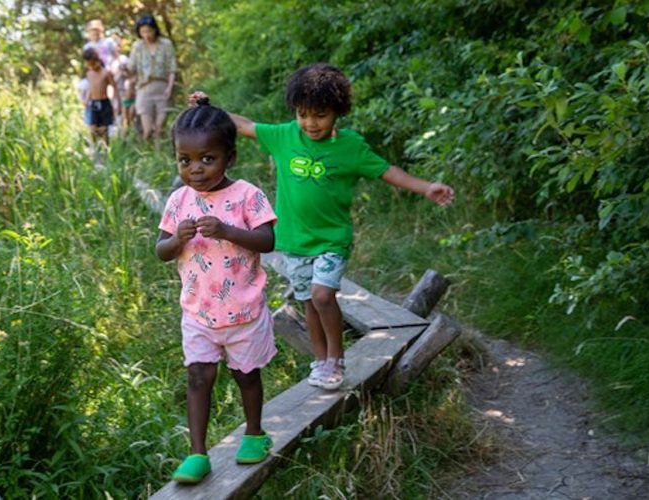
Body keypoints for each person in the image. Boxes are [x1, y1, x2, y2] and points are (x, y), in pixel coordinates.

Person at [190, 63, 455, 391]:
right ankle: (321, 361)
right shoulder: (285, 136)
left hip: (332, 240)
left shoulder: (351, 147)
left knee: (323, 295)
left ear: (337, 112)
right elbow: (244, 125)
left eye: (320, 115)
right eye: (303, 114)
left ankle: (337, 359)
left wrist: (426, 187)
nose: (310, 123)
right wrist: (209, 108)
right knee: (308, 303)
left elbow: (387, 171)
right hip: (295, 242)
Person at [156, 98, 278, 483]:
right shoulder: (179, 201)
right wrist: (177, 239)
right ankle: (197, 453)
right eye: (184, 159)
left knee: (246, 377)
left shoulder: (246, 195)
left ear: (230, 157)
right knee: (198, 378)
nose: (195, 169)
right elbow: (160, 251)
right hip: (198, 313)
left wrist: (227, 231)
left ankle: (254, 434)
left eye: (207, 158)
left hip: (244, 312)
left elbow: (267, 240)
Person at [127, 14, 176, 141]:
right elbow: (131, 67)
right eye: (143, 32)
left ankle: (159, 155)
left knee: (160, 128)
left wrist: (170, 88)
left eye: (149, 31)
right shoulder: (137, 46)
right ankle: (146, 156)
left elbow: (172, 68)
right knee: (147, 130)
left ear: (155, 29)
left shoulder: (166, 44)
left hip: (162, 88)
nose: (146, 35)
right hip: (144, 89)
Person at [82, 48, 121, 148]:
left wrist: (117, 103)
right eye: (89, 65)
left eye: (93, 64)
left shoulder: (106, 73)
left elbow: (114, 88)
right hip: (94, 103)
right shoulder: (89, 73)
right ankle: (94, 151)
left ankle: (106, 151)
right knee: (92, 129)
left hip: (104, 102)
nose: (91, 67)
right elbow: (91, 87)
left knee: (104, 130)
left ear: (97, 61)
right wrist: (87, 99)